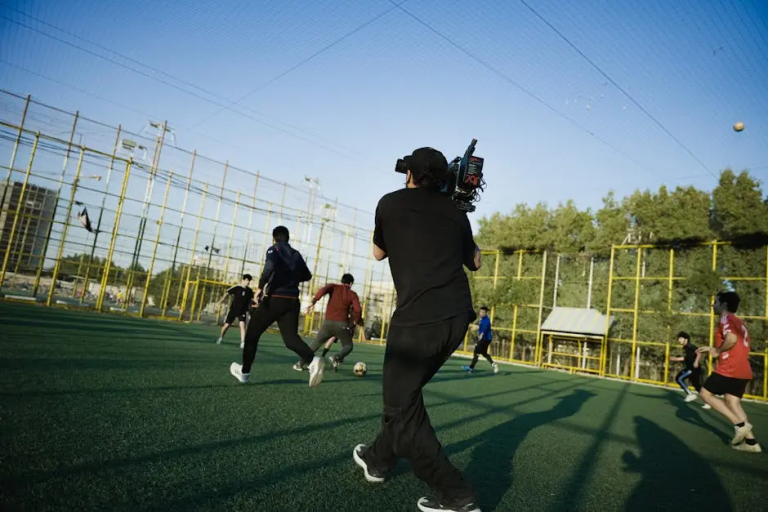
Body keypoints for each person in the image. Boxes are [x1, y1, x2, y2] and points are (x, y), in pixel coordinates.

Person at [352, 147, 483, 512]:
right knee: (402, 396)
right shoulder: (455, 212)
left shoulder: (390, 203)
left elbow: (378, 253)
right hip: (456, 317)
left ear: (409, 173)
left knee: (400, 402)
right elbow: (475, 261)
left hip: (417, 321)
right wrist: (457, 211)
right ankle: (378, 459)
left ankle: (456, 494)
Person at [229, 226, 325, 388]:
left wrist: (260, 288)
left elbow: (269, 267)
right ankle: (312, 360)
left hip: (275, 299)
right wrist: (290, 277)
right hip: (292, 301)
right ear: (287, 238)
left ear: (274, 238)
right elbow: (307, 275)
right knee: (290, 339)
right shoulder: (296, 254)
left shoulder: (274, 249)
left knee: (252, 335)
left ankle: (244, 372)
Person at [696, 291, 762, 453]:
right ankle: (752, 443)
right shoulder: (739, 322)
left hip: (730, 367)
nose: (713, 305)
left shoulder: (726, 318)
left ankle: (739, 425)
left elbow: (731, 340)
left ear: (724, 304)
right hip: (743, 369)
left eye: (716, 302)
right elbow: (736, 341)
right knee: (732, 402)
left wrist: (717, 351)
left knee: (705, 394)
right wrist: (713, 348)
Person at [299, 273, 362, 372]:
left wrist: (314, 301)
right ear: (350, 284)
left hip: (327, 323)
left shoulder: (333, 287)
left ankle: (300, 363)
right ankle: (337, 357)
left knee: (316, 343)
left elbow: (323, 290)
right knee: (348, 346)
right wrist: (357, 320)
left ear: (342, 281)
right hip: (341, 324)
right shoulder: (352, 294)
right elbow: (358, 310)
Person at [669, 331, 710, 409]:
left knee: (679, 378)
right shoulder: (685, 347)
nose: (679, 340)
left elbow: (699, 353)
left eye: (681, 338)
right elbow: (687, 357)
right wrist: (676, 359)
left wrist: (696, 361)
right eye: (678, 339)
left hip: (693, 368)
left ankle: (690, 394)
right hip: (692, 368)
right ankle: (708, 403)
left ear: (686, 339)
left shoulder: (689, 346)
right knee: (697, 386)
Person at [215, 274, 254, 349]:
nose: (248, 282)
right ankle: (220, 337)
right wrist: (220, 302)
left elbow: (251, 301)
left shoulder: (250, 291)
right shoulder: (237, 287)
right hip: (233, 310)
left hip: (242, 311)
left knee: (243, 326)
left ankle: (242, 343)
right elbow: (227, 293)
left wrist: (251, 309)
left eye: (249, 281)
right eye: (246, 280)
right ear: (243, 280)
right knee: (226, 326)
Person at [462, 306, 499, 374]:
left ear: (485, 313)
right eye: (480, 312)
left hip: (485, 339)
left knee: (476, 352)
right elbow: (482, 327)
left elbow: (484, 331)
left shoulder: (486, 320)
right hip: (487, 339)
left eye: (483, 312)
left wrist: (479, 340)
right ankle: (494, 364)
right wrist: (477, 327)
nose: (481, 313)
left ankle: (470, 368)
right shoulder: (482, 319)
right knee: (484, 353)